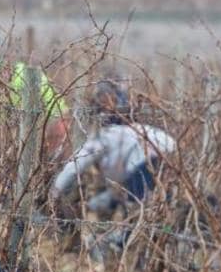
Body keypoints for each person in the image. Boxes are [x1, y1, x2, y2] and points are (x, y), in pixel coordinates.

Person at [49, 81, 175, 214]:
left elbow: (75, 165)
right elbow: (117, 191)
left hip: (147, 158)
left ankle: (136, 233)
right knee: (162, 204)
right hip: (171, 151)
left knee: (137, 208)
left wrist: (55, 190)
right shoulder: (128, 131)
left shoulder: (103, 137)